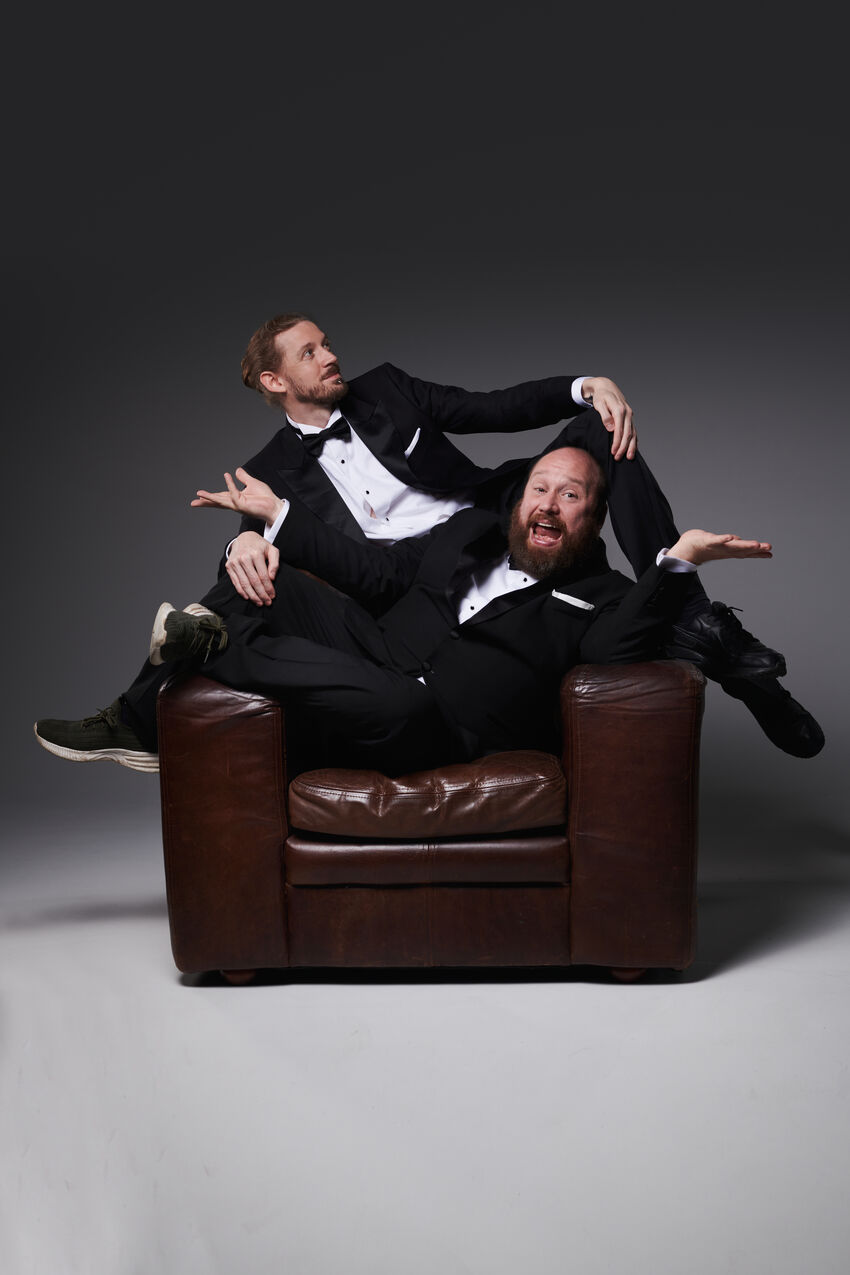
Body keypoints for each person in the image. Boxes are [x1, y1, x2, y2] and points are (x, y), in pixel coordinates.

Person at [33, 313, 822, 765]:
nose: (330, 353)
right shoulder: (267, 470)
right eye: (309, 351)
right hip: (408, 586)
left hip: (486, 519)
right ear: (274, 380)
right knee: (233, 589)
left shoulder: (387, 389)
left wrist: (586, 385)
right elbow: (270, 550)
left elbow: (490, 406)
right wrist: (244, 540)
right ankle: (132, 714)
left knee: (599, 432)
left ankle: (706, 627)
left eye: (326, 341)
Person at [35, 448, 817, 778]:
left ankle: (199, 653)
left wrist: (680, 559)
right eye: (540, 488)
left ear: (592, 521)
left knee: (398, 696)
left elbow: (618, 646)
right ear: (518, 501)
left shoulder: (603, 597)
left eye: (571, 495)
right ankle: (139, 711)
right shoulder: (465, 535)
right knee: (263, 578)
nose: (549, 502)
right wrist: (256, 537)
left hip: (431, 718)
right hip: (372, 648)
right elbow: (368, 571)